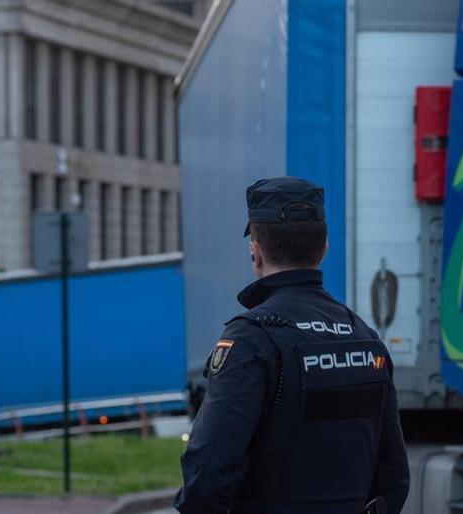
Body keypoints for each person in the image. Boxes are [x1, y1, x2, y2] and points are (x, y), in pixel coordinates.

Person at [175, 177, 409, 514]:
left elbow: (208, 475)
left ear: (255, 252)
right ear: (325, 246)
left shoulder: (251, 340)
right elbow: (394, 476)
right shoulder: (365, 337)